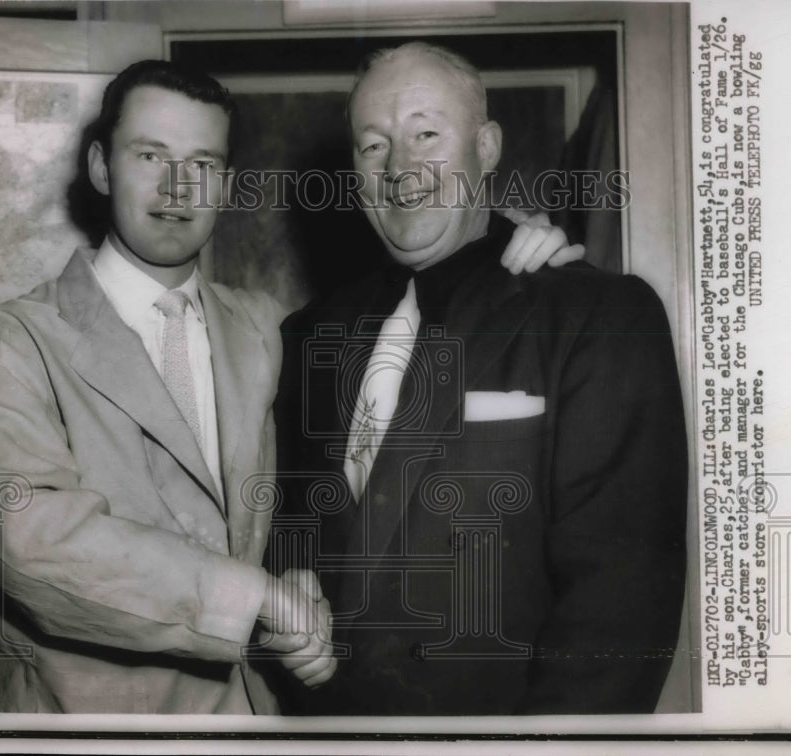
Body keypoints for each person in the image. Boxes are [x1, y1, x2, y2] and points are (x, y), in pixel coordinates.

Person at [0, 59, 581, 714]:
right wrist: (259, 600)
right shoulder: (13, 342)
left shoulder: (271, 329)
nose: (178, 187)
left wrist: (514, 243)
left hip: (260, 724)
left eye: (203, 163)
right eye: (150, 155)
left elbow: (312, 505)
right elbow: (36, 547)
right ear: (103, 167)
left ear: (226, 183)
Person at [272, 42, 688, 715]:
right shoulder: (308, 334)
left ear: (487, 148)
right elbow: (288, 522)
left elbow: (620, 607)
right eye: (373, 146)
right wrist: (287, 588)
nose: (401, 169)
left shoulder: (599, 316)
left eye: (426, 135)